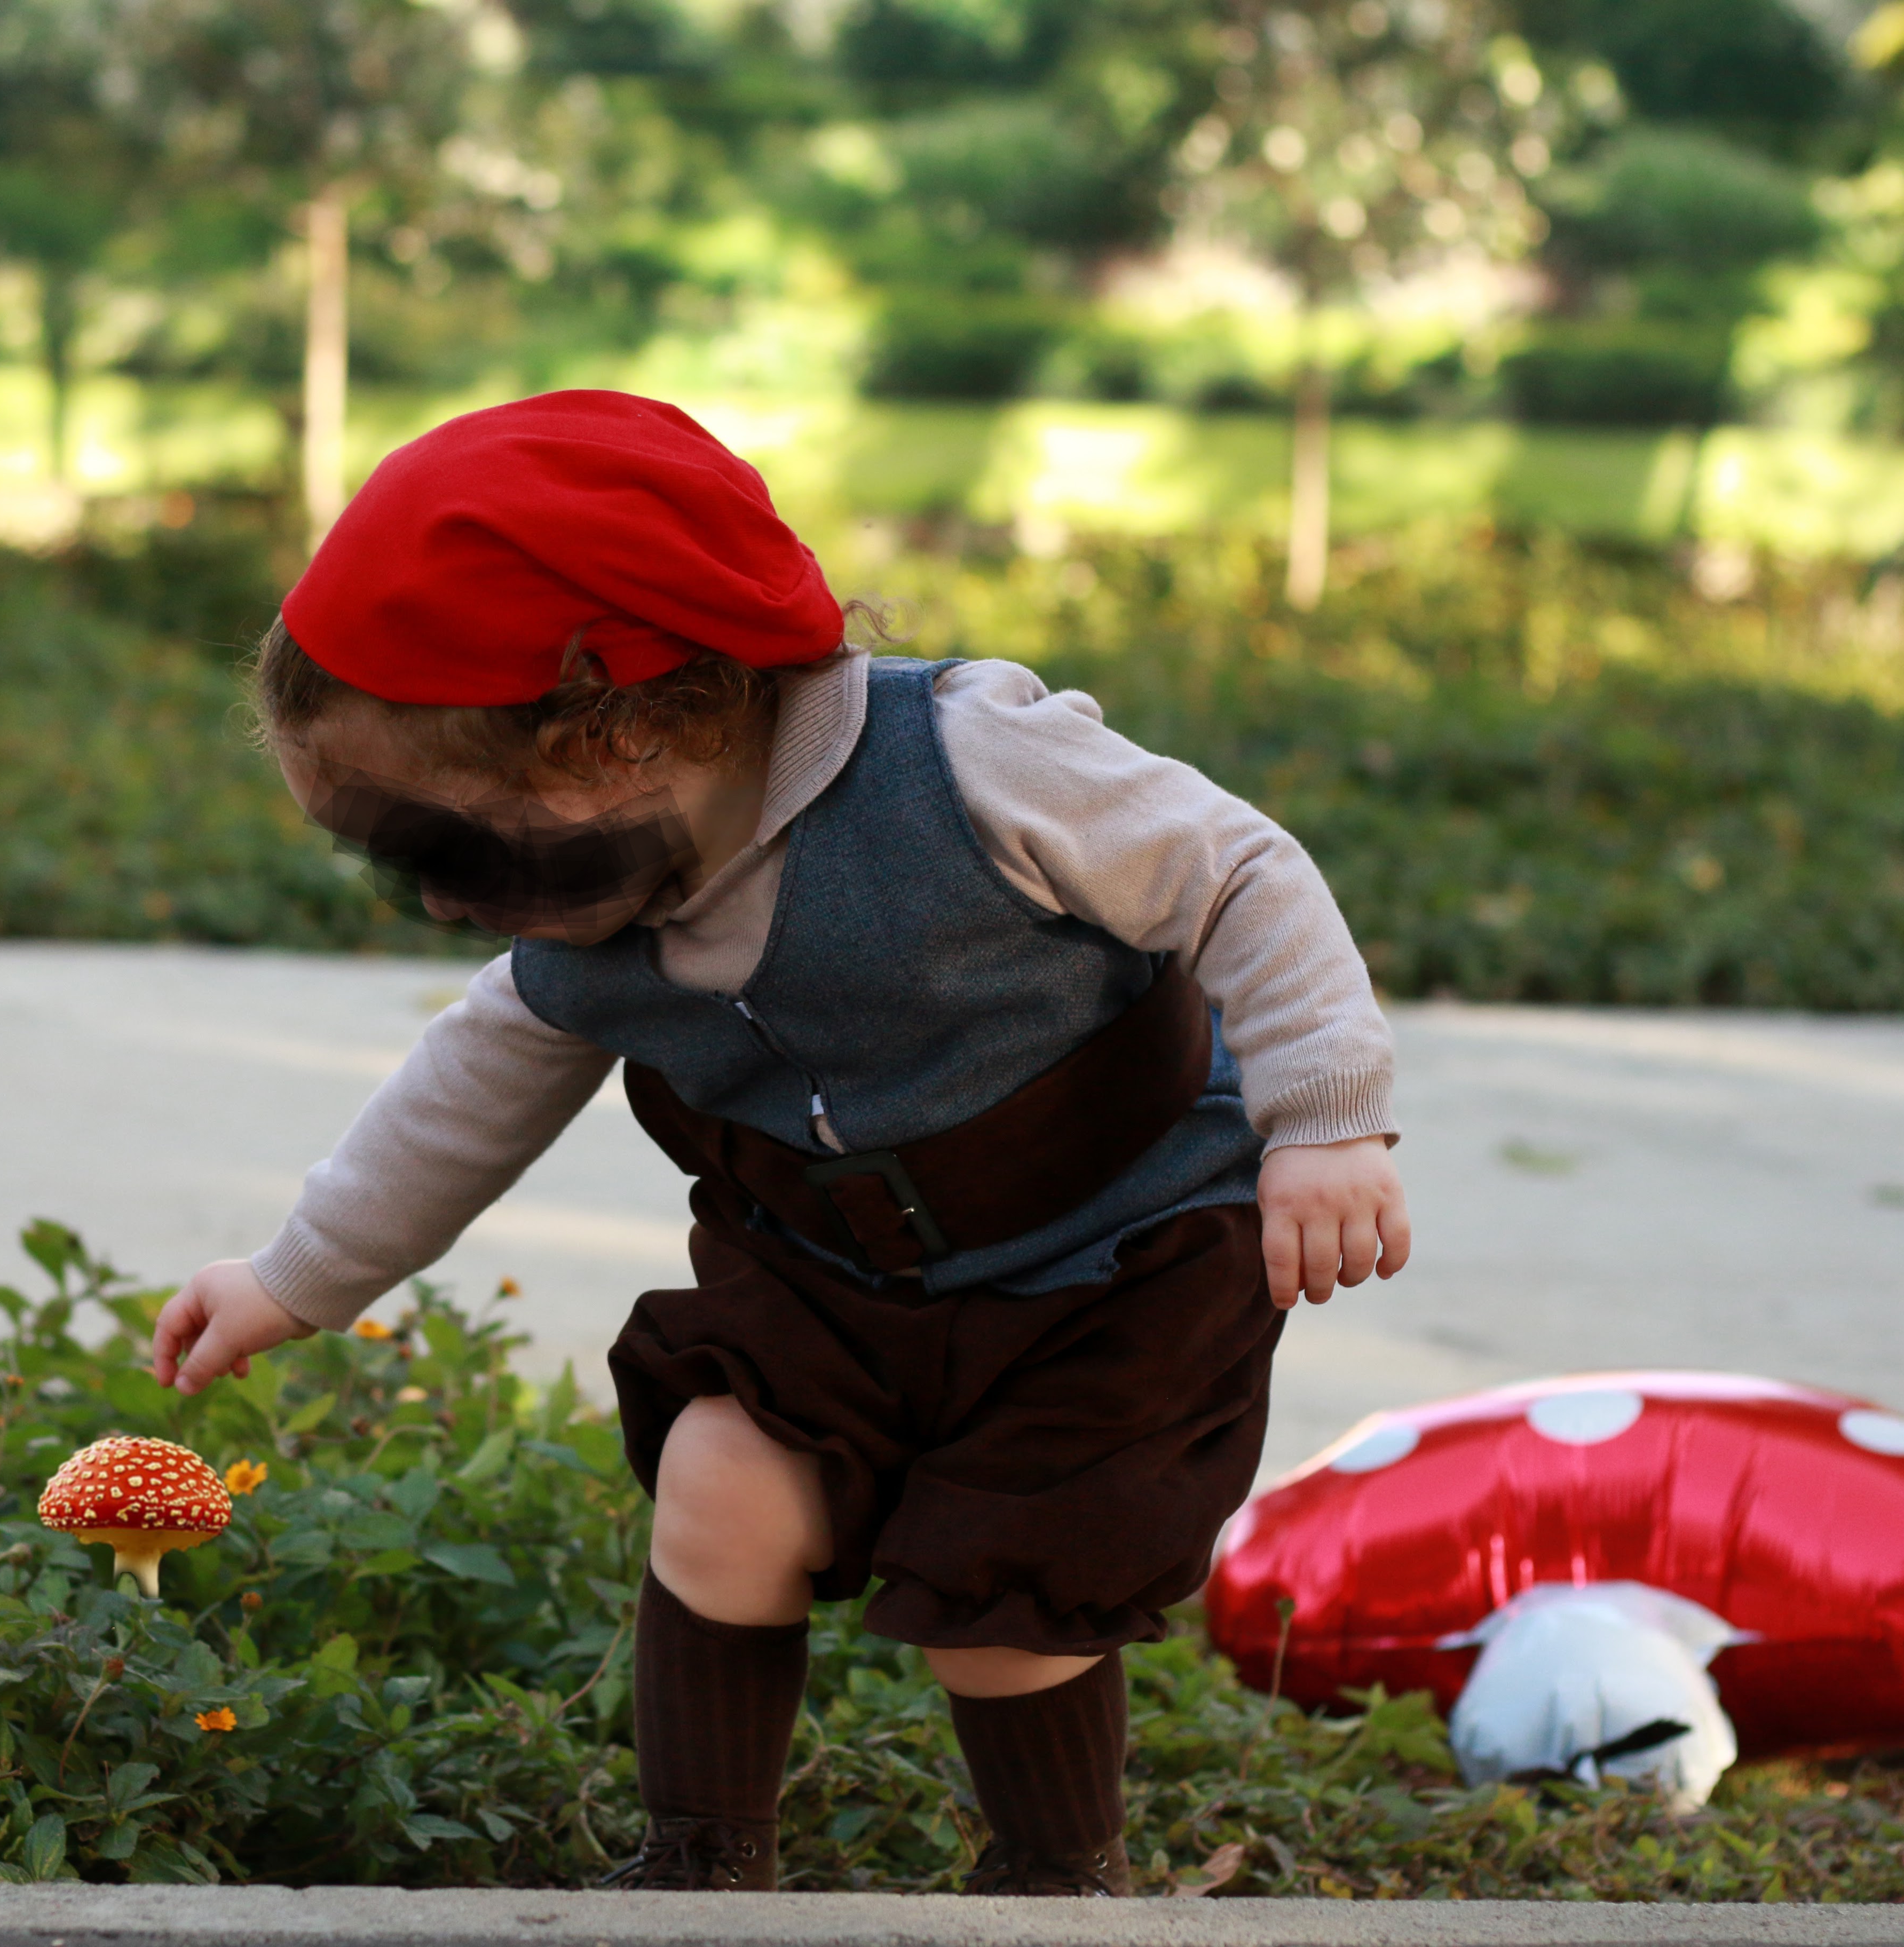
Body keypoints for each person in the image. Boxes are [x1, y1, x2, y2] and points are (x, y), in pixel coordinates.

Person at [150, 390, 1410, 1896]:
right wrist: (299, 1275)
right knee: (723, 1485)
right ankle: (698, 1869)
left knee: (1005, 1610)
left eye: (452, 844)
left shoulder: (970, 761)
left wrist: (1325, 1122)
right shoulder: (589, 935)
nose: (435, 898)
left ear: (632, 733)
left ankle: (1057, 1886)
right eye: (387, 863)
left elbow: (1239, 873)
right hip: (830, 1280)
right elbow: (461, 1094)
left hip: (1112, 1257)